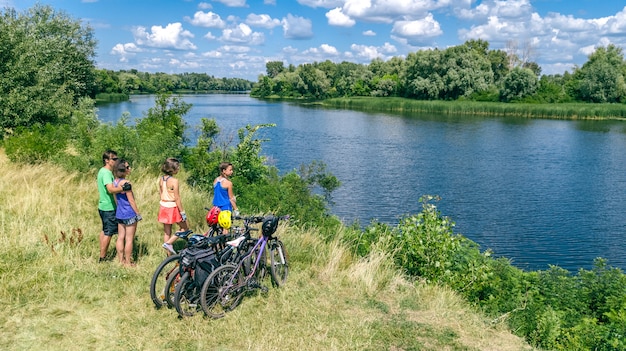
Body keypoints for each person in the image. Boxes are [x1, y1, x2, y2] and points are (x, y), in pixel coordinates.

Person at [97, 150, 128, 262]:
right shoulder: (106, 173)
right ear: (107, 160)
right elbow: (110, 189)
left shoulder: (102, 171)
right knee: (108, 232)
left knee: (105, 230)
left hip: (103, 206)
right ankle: (102, 257)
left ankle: (102, 252)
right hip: (109, 207)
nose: (116, 161)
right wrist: (123, 188)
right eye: (113, 159)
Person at [158, 158, 190, 255]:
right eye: (177, 167)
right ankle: (169, 243)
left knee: (167, 231)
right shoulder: (174, 181)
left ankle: (169, 255)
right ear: (172, 169)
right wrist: (182, 212)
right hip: (172, 206)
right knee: (185, 228)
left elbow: (160, 192)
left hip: (163, 205)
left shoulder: (161, 179)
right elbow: (177, 198)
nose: (179, 168)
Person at [113, 159, 141, 266]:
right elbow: (131, 200)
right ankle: (128, 262)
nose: (129, 169)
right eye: (128, 167)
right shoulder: (126, 183)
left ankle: (121, 260)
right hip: (129, 212)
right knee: (129, 239)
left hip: (120, 212)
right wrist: (137, 213)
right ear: (124, 171)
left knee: (120, 237)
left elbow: (115, 198)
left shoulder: (114, 182)